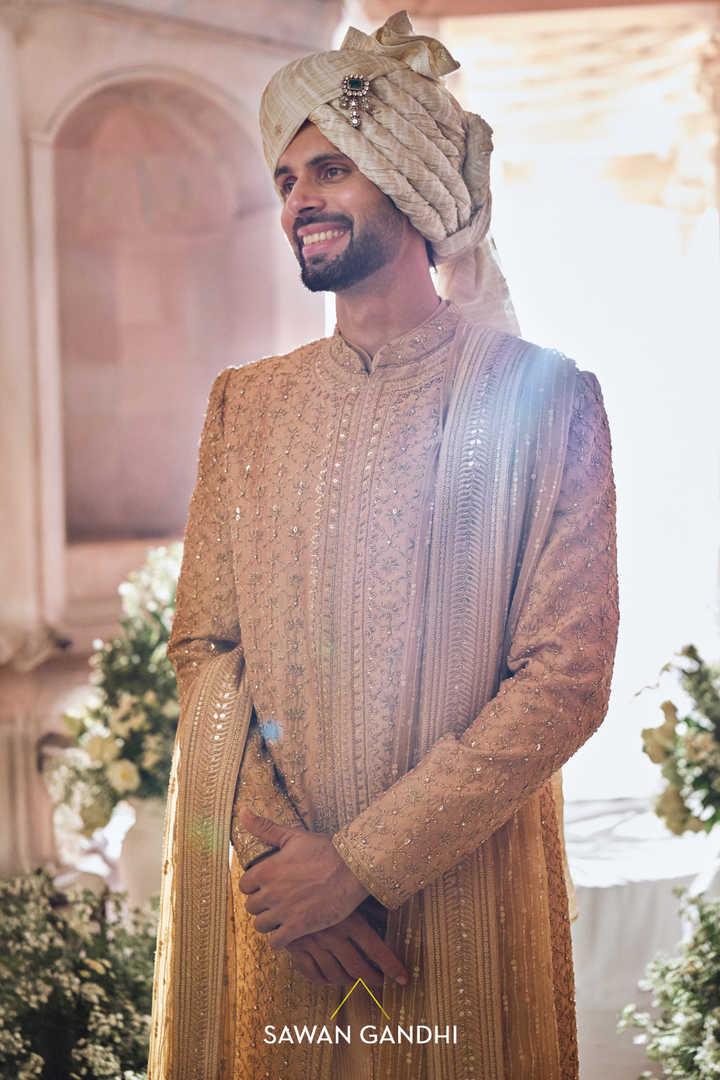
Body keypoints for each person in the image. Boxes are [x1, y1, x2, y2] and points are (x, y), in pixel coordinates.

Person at [148, 12, 619, 1080]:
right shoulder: (247, 408)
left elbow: (567, 677)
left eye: (329, 168)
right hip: (288, 936)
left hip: (456, 913)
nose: (296, 201)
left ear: (408, 181)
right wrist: (288, 876)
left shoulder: (545, 398)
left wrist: (359, 864)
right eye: (283, 178)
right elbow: (203, 648)